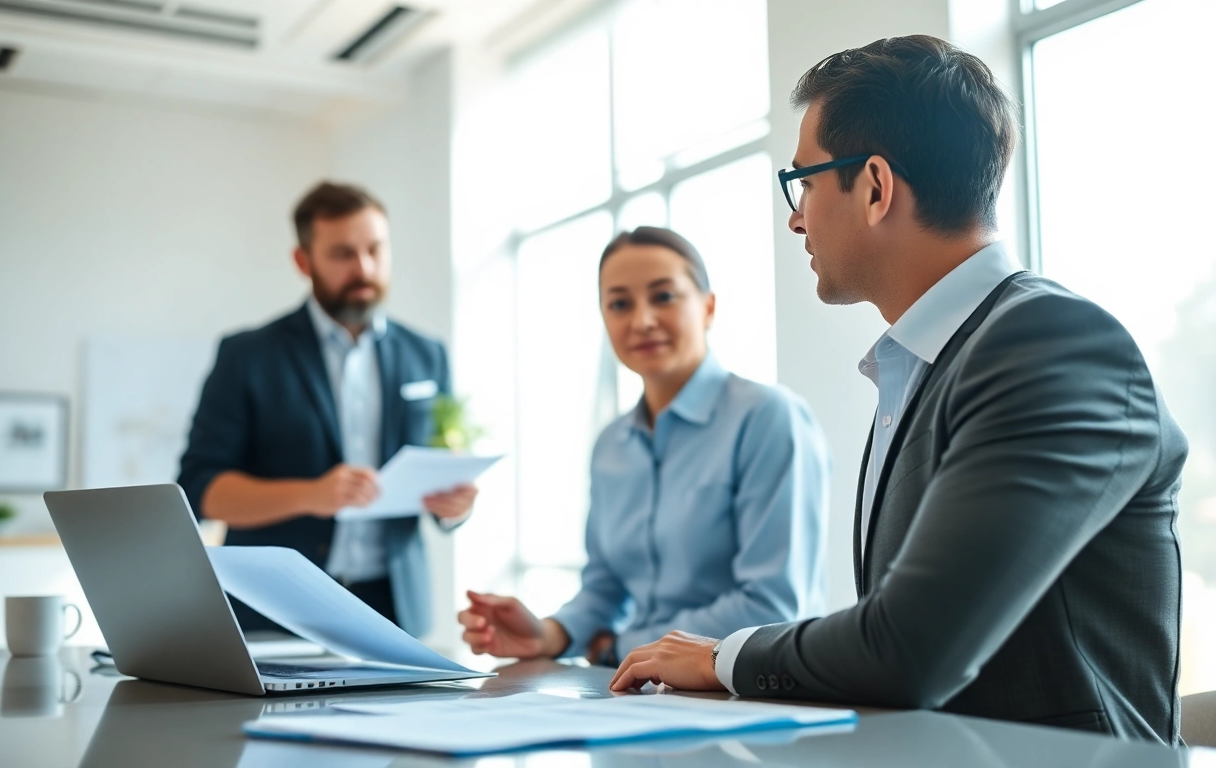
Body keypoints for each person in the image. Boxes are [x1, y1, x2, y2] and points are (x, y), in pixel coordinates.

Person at [609, 36, 1189, 745]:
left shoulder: (1051, 344)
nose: (796, 217)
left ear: (875, 187)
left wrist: (724, 656)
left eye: (806, 183)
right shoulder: (931, 360)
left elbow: (911, 646)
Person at [458, 226, 829, 665]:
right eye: (619, 304)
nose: (642, 320)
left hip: (741, 692)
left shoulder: (768, 417)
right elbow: (605, 589)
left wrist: (619, 647)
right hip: (638, 691)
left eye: (664, 296)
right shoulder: (611, 445)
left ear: (708, 307)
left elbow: (773, 607)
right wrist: (546, 634)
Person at [177, 181, 477, 638]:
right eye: (342, 254)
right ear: (303, 261)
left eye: (376, 249)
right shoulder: (247, 355)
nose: (364, 267)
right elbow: (200, 489)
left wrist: (454, 504)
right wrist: (310, 495)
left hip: (395, 613)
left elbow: (443, 465)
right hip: (275, 609)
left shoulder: (427, 354)